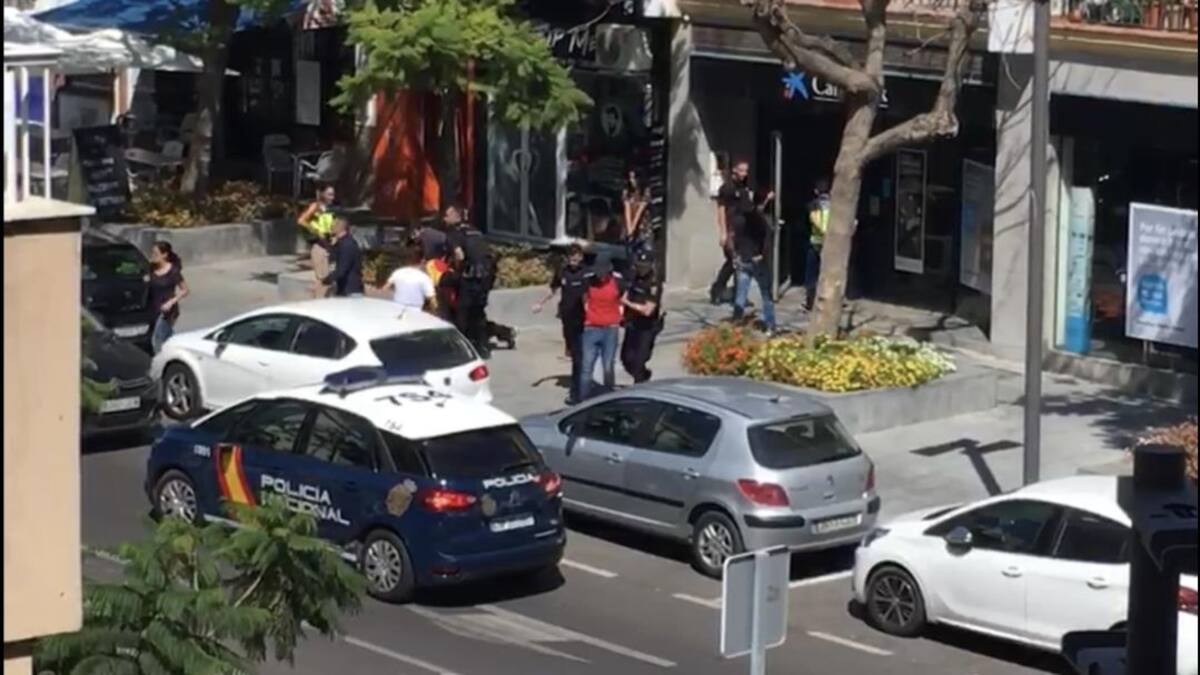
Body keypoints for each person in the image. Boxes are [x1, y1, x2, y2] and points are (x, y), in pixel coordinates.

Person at [534, 243, 588, 404]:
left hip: (584, 319)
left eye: (577, 256)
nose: (574, 259)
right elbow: (553, 289)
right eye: (571, 256)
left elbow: (597, 291)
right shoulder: (562, 272)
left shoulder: (586, 273)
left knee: (579, 356)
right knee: (573, 353)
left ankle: (577, 392)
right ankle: (579, 382)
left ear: (581, 257)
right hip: (567, 318)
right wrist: (540, 303)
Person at [444, 203, 492, 357]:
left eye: (446, 215)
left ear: (455, 217)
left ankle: (461, 349)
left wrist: (455, 271)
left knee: (462, 313)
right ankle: (483, 347)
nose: (444, 219)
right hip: (485, 277)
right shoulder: (476, 231)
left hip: (469, 278)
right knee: (479, 313)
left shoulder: (454, 234)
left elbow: (459, 256)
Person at [731, 171, 776, 334]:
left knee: (741, 294)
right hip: (756, 259)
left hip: (743, 258)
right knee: (766, 294)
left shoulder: (737, 219)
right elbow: (766, 237)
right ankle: (771, 325)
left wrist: (735, 255)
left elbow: (735, 238)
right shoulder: (758, 219)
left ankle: (736, 324)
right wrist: (763, 254)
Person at [579, 252, 624, 401]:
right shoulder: (588, 281)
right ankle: (583, 399)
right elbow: (584, 300)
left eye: (603, 271)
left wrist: (618, 317)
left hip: (611, 329)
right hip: (591, 328)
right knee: (586, 367)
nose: (600, 275)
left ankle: (609, 398)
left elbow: (622, 299)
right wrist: (590, 316)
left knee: (608, 366)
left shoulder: (617, 281)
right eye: (598, 271)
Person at [710, 160, 753, 305]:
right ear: (734, 170)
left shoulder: (744, 188)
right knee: (732, 262)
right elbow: (721, 210)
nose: (744, 174)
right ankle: (717, 290)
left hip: (744, 230)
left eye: (746, 171)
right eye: (741, 171)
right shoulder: (727, 188)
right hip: (731, 230)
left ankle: (738, 295)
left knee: (739, 263)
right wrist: (723, 232)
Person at [620, 248, 663, 384]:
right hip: (632, 323)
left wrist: (627, 303)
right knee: (626, 359)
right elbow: (625, 292)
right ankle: (644, 376)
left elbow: (647, 311)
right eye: (639, 265)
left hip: (647, 327)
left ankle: (640, 383)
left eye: (644, 266)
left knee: (639, 361)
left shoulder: (654, 282)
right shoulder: (633, 277)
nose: (641, 269)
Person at [148, 241, 189, 354]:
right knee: (165, 336)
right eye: (152, 253)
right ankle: (177, 351)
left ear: (164, 255)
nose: (152, 256)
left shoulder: (173, 271)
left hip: (168, 311)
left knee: (157, 339)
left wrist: (171, 302)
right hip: (154, 308)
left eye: (156, 254)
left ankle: (160, 363)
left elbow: (185, 290)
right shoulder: (151, 268)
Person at [297, 183, 336, 298]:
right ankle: (316, 301)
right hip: (319, 245)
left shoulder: (329, 209)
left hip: (327, 244)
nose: (332, 197)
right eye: (329, 194)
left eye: (333, 195)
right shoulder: (316, 206)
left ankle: (318, 299)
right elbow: (301, 220)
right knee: (321, 278)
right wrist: (315, 231)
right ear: (322, 194)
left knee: (325, 277)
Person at [382, 241, 435, 312]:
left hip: (396, 308)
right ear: (422, 261)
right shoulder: (424, 278)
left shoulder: (398, 272)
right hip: (416, 311)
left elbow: (385, 288)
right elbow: (431, 298)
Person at [322, 217, 364, 297]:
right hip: (343, 288)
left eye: (333, 226)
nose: (331, 228)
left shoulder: (347, 245)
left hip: (350, 290)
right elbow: (333, 259)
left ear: (338, 228)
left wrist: (326, 280)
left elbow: (342, 269)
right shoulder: (341, 243)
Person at [806, 179, 831, 311]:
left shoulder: (814, 205)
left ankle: (810, 301)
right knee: (827, 273)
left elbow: (815, 221)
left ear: (816, 191)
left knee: (811, 274)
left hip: (816, 242)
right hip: (830, 244)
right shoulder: (835, 205)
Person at [622, 170, 651, 260]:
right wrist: (629, 229)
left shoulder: (645, 190)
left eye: (634, 178)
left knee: (644, 247)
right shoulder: (626, 190)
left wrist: (633, 227)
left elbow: (640, 211)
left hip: (642, 222)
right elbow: (626, 209)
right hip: (629, 222)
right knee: (629, 247)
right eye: (630, 178)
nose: (632, 181)